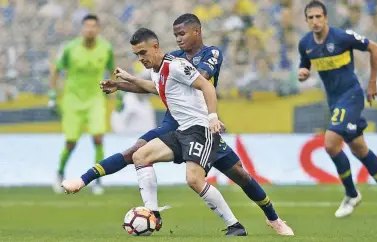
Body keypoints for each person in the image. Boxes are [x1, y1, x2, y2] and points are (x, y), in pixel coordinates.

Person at [61, 13, 294, 236]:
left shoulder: (201, 56)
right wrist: (124, 84)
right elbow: (157, 86)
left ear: (197, 31)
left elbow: (200, 82)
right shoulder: (165, 63)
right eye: (176, 36)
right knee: (137, 154)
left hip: (200, 125)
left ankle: (272, 218)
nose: (179, 39)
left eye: (182, 34)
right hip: (176, 123)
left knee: (239, 175)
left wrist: (212, 117)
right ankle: (144, 209)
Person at [298, 1, 377, 219]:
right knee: (359, 148)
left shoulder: (341, 37)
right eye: (311, 18)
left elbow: (375, 48)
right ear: (306, 20)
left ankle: (351, 194)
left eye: (319, 17)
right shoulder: (305, 44)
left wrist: (373, 82)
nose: (315, 21)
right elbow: (305, 63)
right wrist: (303, 71)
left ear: (326, 18)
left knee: (330, 144)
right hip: (334, 101)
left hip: (352, 96)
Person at [49, 14, 115, 195]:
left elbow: (113, 70)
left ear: (98, 29)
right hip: (72, 100)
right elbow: (56, 70)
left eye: (93, 26)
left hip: (96, 99)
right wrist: (53, 94)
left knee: (98, 138)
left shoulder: (106, 48)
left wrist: (119, 95)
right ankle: (60, 172)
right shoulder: (70, 48)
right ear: (82, 29)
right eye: (87, 26)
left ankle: (97, 180)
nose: (90, 29)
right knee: (71, 142)